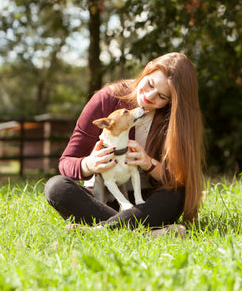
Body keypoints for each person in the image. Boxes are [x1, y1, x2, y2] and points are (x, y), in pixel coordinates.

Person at [44, 52, 205, 235]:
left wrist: (149, 163)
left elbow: (177, 178)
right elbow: (66, 161)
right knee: (56, 187)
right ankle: (145, 233)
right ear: (147, 69)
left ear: (172, 101)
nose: (150, 97)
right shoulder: (107, 99)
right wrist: (89, 164)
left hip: (145, 202)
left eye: (162, 96)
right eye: (150, 84)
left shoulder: (173, 118)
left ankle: (99, 231)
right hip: (101, 199)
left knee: (177, 194)